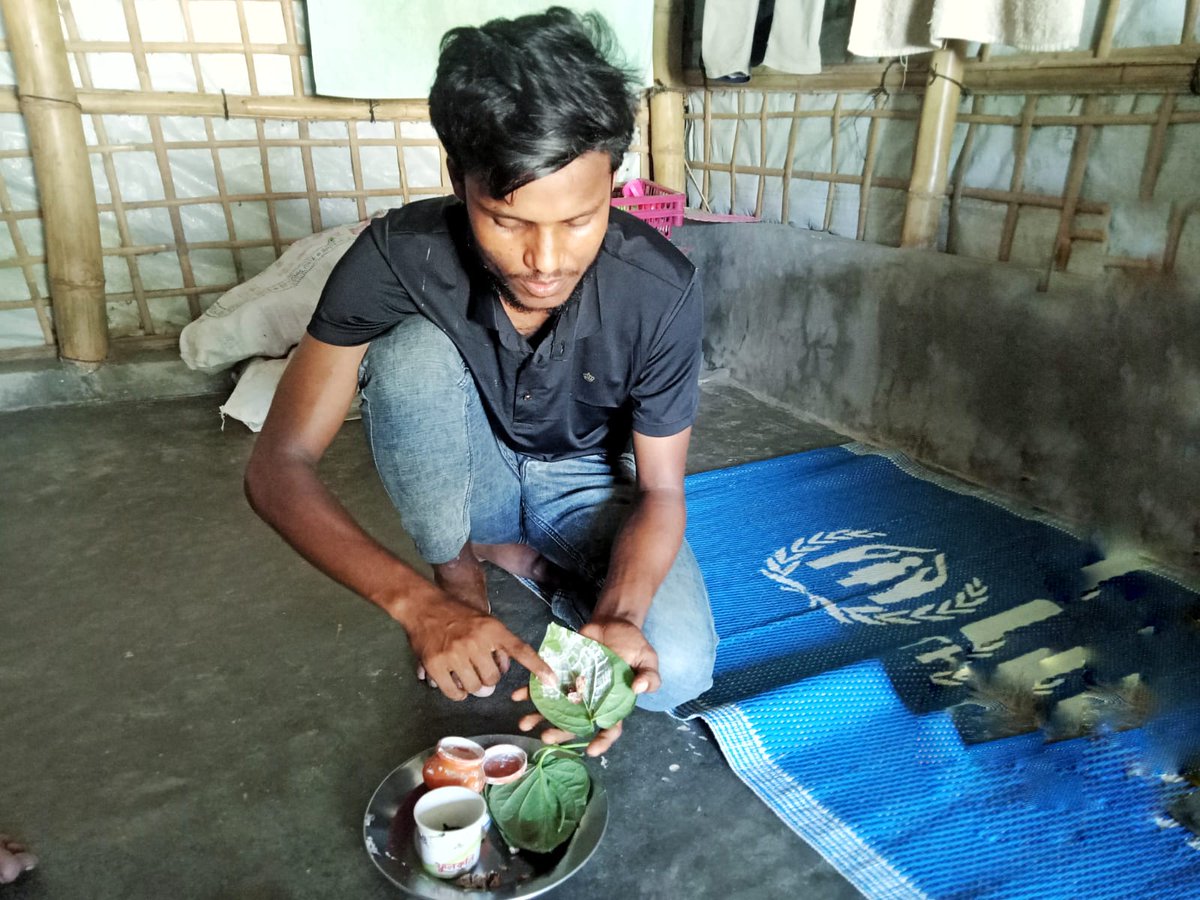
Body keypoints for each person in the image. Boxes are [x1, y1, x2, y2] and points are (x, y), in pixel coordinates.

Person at [245, 7, 717, 754]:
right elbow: (278, 466)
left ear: (614, 182)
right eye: (507, 220)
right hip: (470, 475)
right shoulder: (400, 254)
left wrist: (622, 613)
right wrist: (421, 605)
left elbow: (660, 490)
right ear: (457, 180)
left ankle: (523, 561)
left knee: (681, 669)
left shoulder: (660, 289)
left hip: (585, 482)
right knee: (409, 352)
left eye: (581, 219)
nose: (546, 260)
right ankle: (460, 571)